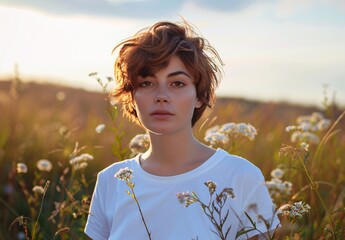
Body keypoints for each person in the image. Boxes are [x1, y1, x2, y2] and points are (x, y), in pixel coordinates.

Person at [84, 20, 280, 240]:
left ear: (200, 96)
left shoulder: (241, 176)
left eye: (177, 83)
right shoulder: (111, 181)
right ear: (132, 96)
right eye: (147, 83)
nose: (161, 96)